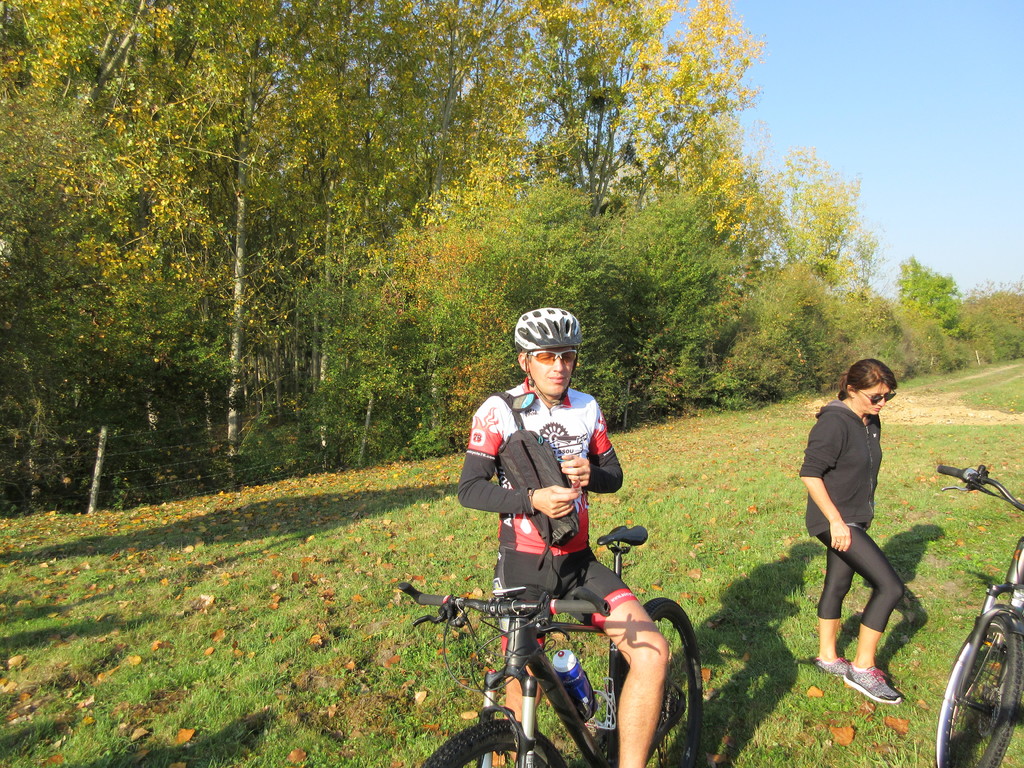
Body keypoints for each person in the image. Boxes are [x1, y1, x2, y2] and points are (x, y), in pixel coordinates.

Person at [458, 307, 668, 768]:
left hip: (578, 562)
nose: (559, 366)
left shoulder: (587, 407)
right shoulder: (498, 410)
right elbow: (469, 489)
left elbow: (614, 475)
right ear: (525, 361)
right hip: (522, 566)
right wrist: (530, 499)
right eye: (547, 356)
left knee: (653, 655)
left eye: (567, 356)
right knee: (520, 690)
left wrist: (592, 473)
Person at [799, 358, 905, 705]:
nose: (882, 403)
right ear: (852, 389)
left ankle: (828, 657)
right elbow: (810, 474)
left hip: (853, 518)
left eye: (888, 396)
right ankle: (862, 668)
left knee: (838, 584)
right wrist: (835, 521)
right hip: (835, 521)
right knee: (890, 588)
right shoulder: (833, 423)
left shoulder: (870, 420)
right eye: (876, 396)